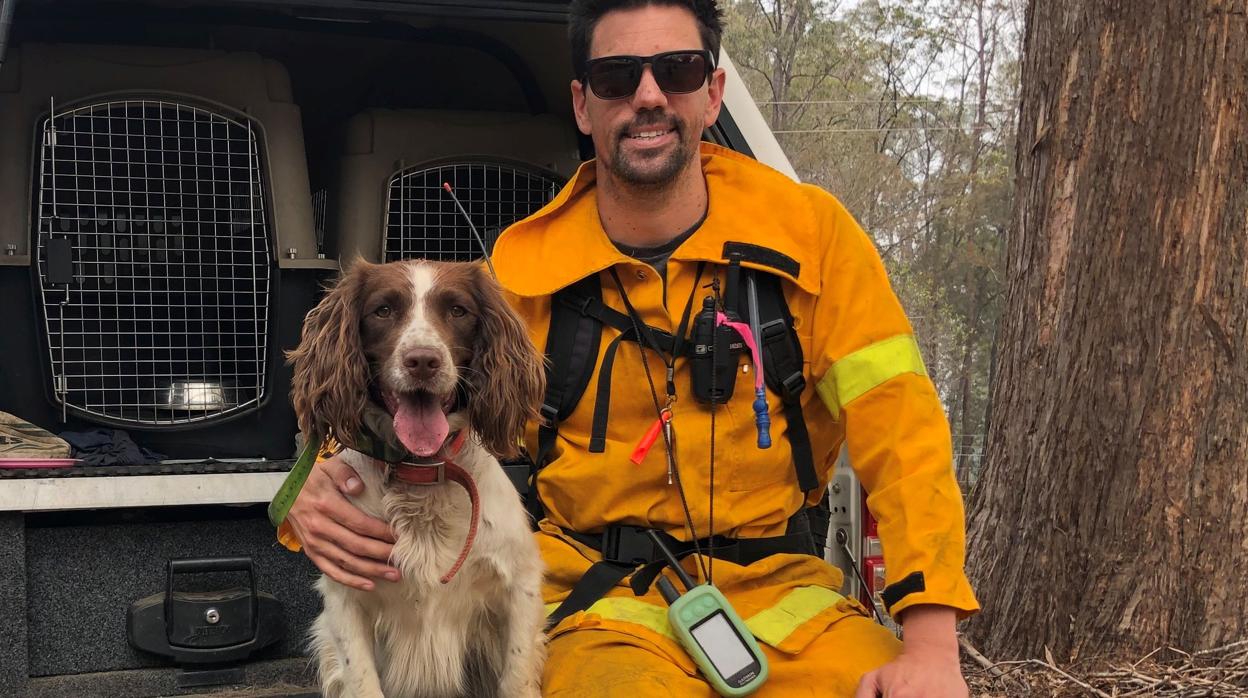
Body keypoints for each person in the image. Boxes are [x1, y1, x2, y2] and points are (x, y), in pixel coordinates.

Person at [282, 1, 979, 695]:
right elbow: (382, 414)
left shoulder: (812, 239)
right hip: (599, 608)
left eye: (677, 70)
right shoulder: (519, 277)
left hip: (790, 603)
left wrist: (929, 642)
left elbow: (905, 436)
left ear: (712, 91)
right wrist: (299, 495)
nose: (649, 97)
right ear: (584, 106)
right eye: (618, 78)